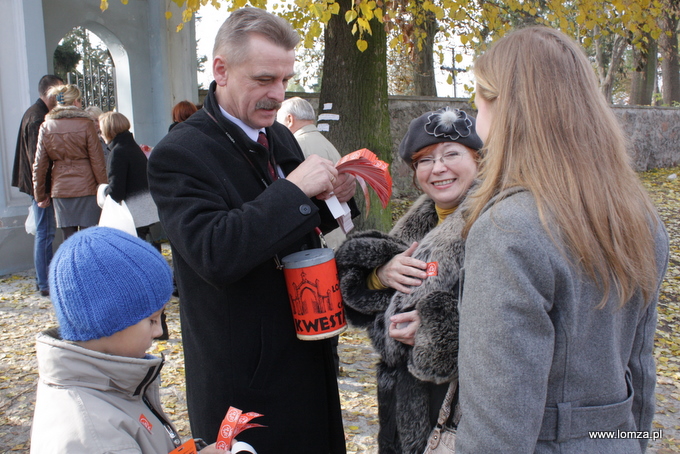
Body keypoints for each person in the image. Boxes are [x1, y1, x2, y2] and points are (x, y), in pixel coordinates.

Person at [147, 7, 357, 453]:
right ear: (221, 70)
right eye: (264, 79)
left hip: (308, 352)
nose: (277, 94)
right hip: (247, 383)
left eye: (285, 80)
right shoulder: (178, 154)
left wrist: (335, 195)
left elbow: (296, 221)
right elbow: (214, 253)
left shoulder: (276, 137)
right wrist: (295, 192)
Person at [455, 26, 669, 453]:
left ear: (505, 110)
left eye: (478, 105)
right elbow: (641, 376)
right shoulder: (638, 217)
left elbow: (497, 429)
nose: (477, 122)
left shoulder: (510, 230)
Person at [335, 107, 483, 453]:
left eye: (451, 154)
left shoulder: (493, 225)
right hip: (403, 407)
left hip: (460, 411)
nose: (439, 168)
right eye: (425, 161)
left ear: (479, 161)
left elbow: (511, 320)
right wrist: (379, 275)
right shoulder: (415, 227)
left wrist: (437, 329)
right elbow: (367, 305)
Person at [30, 227, 228, 454]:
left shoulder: (111, 386)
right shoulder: (97, 439)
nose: (159, 331)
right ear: (107, 322)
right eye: (152, 320)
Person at [32, 84, 108, 240]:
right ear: (75, 102)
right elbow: (98, 161)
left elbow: (40, 165)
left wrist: (40, 195)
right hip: (87, 188)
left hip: (61, 190)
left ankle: (72, 265)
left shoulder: (46, 126)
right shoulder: (86, 124)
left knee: (69, 239)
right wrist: (104, 189)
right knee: (90, 237)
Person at [12, 74, 63, 297]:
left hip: (38, 184)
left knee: (46, 232)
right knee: (45, 232)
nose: (62, 96)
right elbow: (37, 160)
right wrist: (41, 191)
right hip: (38, 186)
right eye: (60, 92)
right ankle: (44, 282)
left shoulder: (38, 114)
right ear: (50, 92)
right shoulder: (37, 118)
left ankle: (43, 280)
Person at [277, 96, 346, 250]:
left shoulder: (298, 144)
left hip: (321, 237)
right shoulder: (324, 141)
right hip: (334, 231)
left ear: (289, 119)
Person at [98, 112, 161, 248]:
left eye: (101, 131)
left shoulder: (117, 152)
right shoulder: (133, 147)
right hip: (147, 210)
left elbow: (117, 191)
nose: (101, 135)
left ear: (109, 131)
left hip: (134, 215)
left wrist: (103, 192)